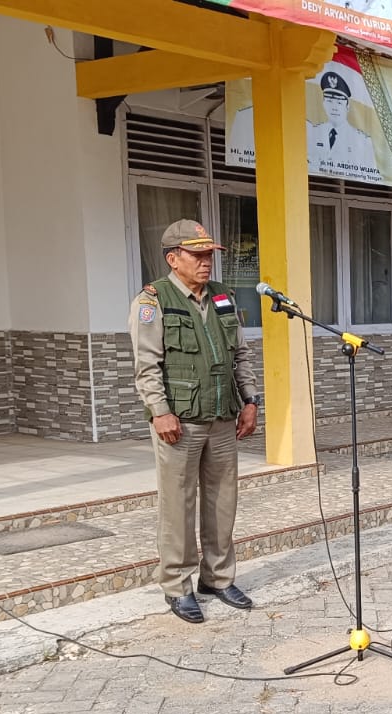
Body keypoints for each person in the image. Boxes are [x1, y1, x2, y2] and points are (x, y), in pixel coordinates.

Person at [130, 220, 261, 625]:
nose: (206, 263)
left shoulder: (223, 298)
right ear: (174, 258)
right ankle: (176, 585)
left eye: (209, 256)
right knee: (178, 505)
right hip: (180, 422)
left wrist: (251, 400)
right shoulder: (154, 300)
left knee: (223, 501)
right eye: (197, 255)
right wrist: (160, 411)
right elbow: (146, 365)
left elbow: (240, 354)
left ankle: (218, 579)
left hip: (223, 417)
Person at [309, 71, 376, 170]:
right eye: (329, 101)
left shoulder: (362, 141)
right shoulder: (313, 133)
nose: (334, 107)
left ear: (347, 106)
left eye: (339, 103)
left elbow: (372, 176)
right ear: (323, 103)